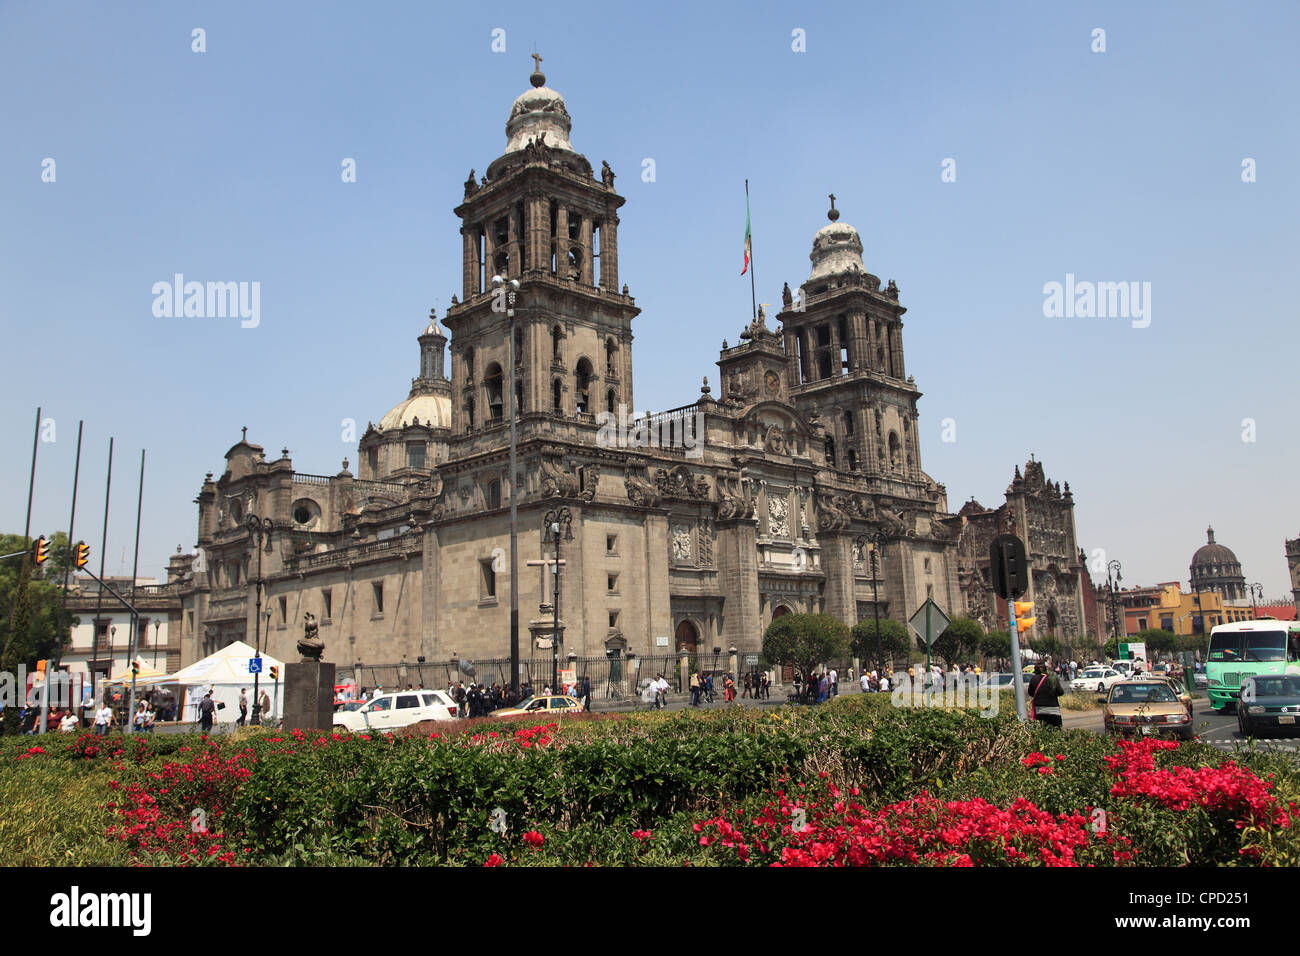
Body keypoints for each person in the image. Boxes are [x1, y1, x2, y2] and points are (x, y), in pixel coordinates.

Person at [1026, 662, 1064, 728]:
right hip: (1053, 710)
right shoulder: (1052, 678)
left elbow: (1030, 693)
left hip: (1040, 710)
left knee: (1042, 731)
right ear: (1045, 669)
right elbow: (1060, 692)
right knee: (1056, 730)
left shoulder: (1033, 679)